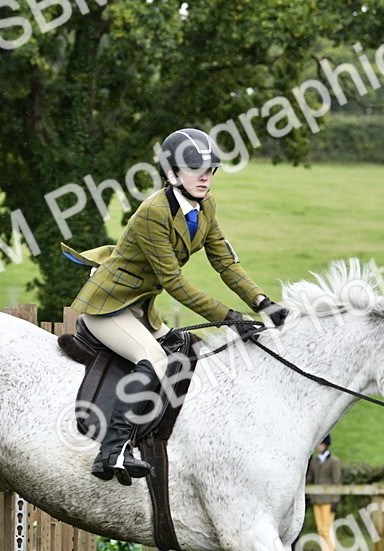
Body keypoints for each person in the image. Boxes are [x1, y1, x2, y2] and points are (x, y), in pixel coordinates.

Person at [66, 127, 288, 485]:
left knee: (185, 353)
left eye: (210, 169)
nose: (205, 176)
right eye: (195, 169)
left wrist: (262, 302)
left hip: (141, 308)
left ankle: (157, 440)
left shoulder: (206, 207)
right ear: (171, 174)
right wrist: (228, 317)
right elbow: (175, 284)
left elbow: (225, 264)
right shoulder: (154, 210)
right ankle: (112, 450)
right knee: (154, 359)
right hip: (109, 306)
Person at [305, 435, 342, 551]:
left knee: (326, 528)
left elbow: (336, 482)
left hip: (328, 500)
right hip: (316, 499)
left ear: (326, 445)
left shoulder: (334, 461)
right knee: (320, 529)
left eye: (320, 444)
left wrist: (335, 500)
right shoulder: (315, 462)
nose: (318, 447)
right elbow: (309, 479)